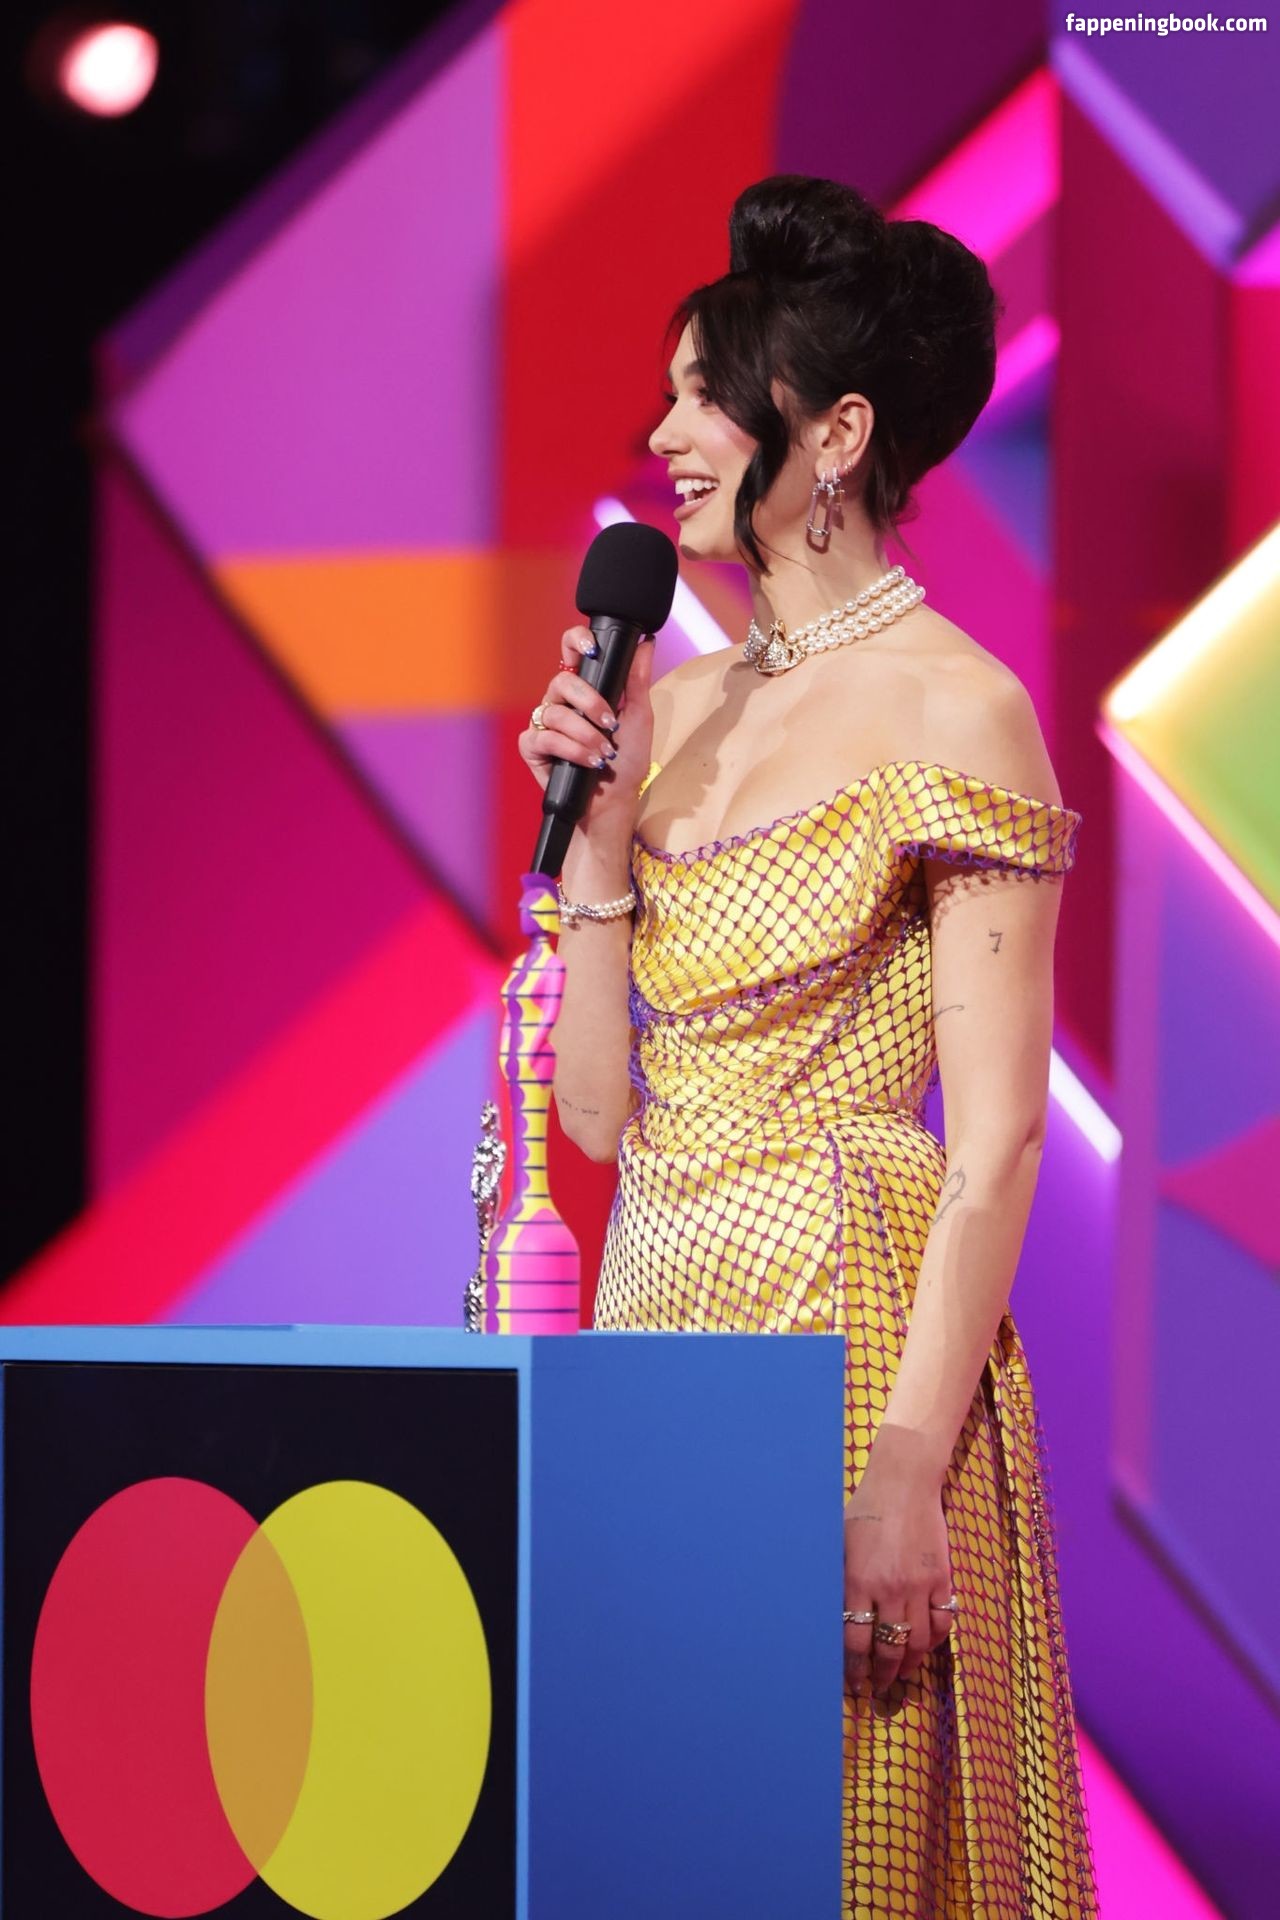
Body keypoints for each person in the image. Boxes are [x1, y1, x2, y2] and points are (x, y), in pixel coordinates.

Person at [518, 174, 1098, 1919]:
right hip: (657, 1315)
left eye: (704, 397)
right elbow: (598, 1120)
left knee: (834, 1847)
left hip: (852, 1338)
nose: (662, 437)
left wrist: (908, 1466)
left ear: (834, 435)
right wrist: (598, 848)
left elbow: (996, 1144)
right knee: (663, 1840)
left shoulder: (958, 709)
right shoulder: (671, 706)